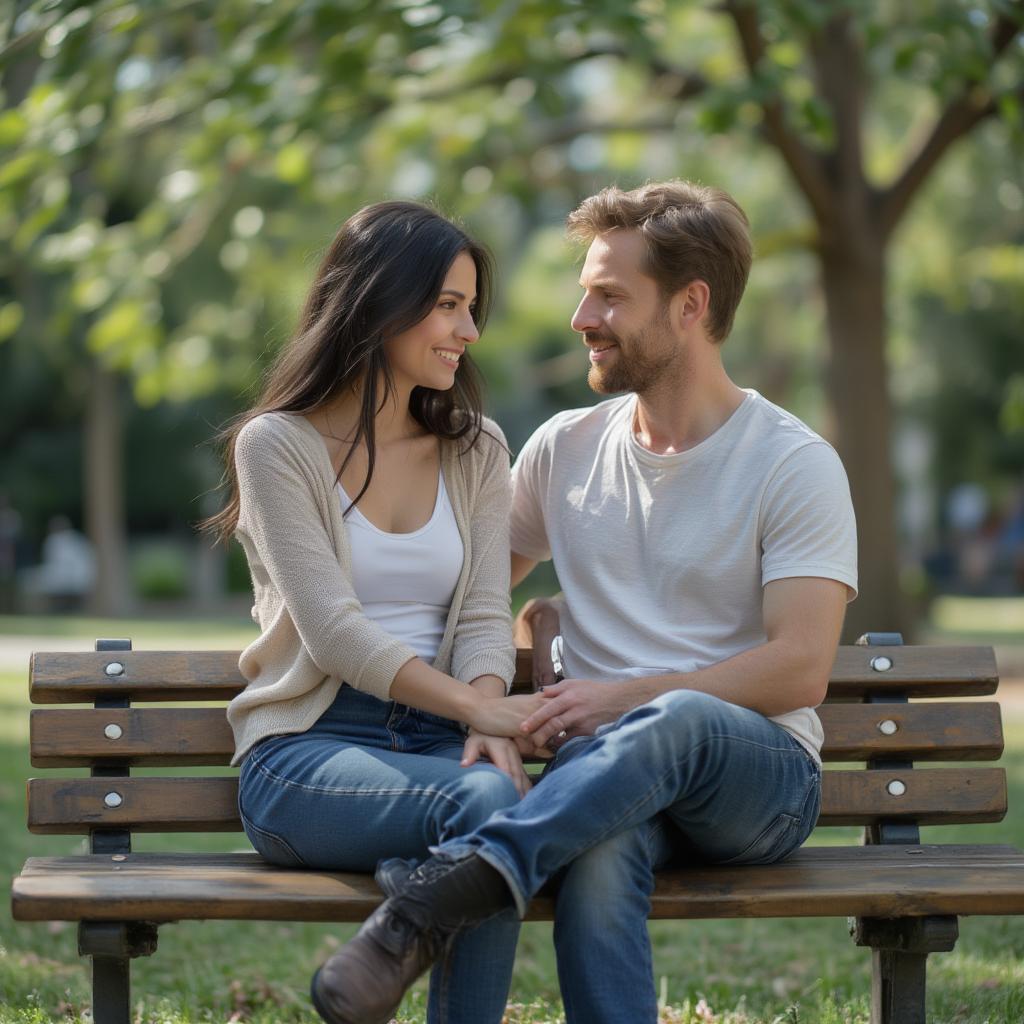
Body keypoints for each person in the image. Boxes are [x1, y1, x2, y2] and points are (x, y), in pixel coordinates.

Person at [312, 181, 858, 1024]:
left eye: (609, 295)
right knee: (601, 863)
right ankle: (464, 888)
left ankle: (437, 900)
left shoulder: (792, 462)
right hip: (602, 782)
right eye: (584, 291)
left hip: (756, 777)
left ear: (690, 305)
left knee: (673, 715)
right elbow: (474, 589)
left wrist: (627, 696)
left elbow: (800, 668)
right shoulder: (564, 449)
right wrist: (536, 630)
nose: (581, 316)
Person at [203, 201, 547, 1024]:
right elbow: (334, 631)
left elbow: (483, 613)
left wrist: (487, 719)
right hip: (310, 749)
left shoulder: (477, 448)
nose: (468, 332)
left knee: (498, 808)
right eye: (448, 306)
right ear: (381, 302)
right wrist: (480, 706)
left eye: (472, 309)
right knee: (491, 809)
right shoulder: (276, 446)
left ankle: (413, 902)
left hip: (442, 738)